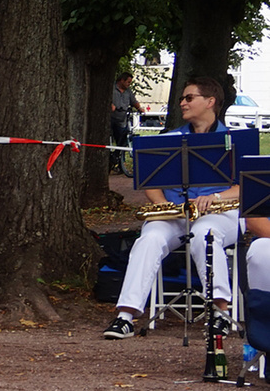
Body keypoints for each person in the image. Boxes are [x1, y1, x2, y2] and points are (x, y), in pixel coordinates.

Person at [102, 77, 241, 339]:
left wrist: (217, 197)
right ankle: (126, 316)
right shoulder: (170, 139)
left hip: (219, 213)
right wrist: (164, 206)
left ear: (210, 102)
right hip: (176, 213)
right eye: (182, 98)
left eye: (189, 98)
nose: (182, 103)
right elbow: (150, 183)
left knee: (205, 235)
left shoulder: (233, 140)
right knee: (150, 238)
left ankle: (219, 313)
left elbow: (244, 186)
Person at [110, 72, 139, 175]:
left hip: (122, 119)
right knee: (108, 139)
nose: (129, 84)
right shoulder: (111, 88)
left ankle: (120, 163)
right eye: (128, 82)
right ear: (121, 80)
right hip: (111, 118)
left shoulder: (128, 92)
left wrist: (140, 108)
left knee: (121, 139)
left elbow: (134, 101)